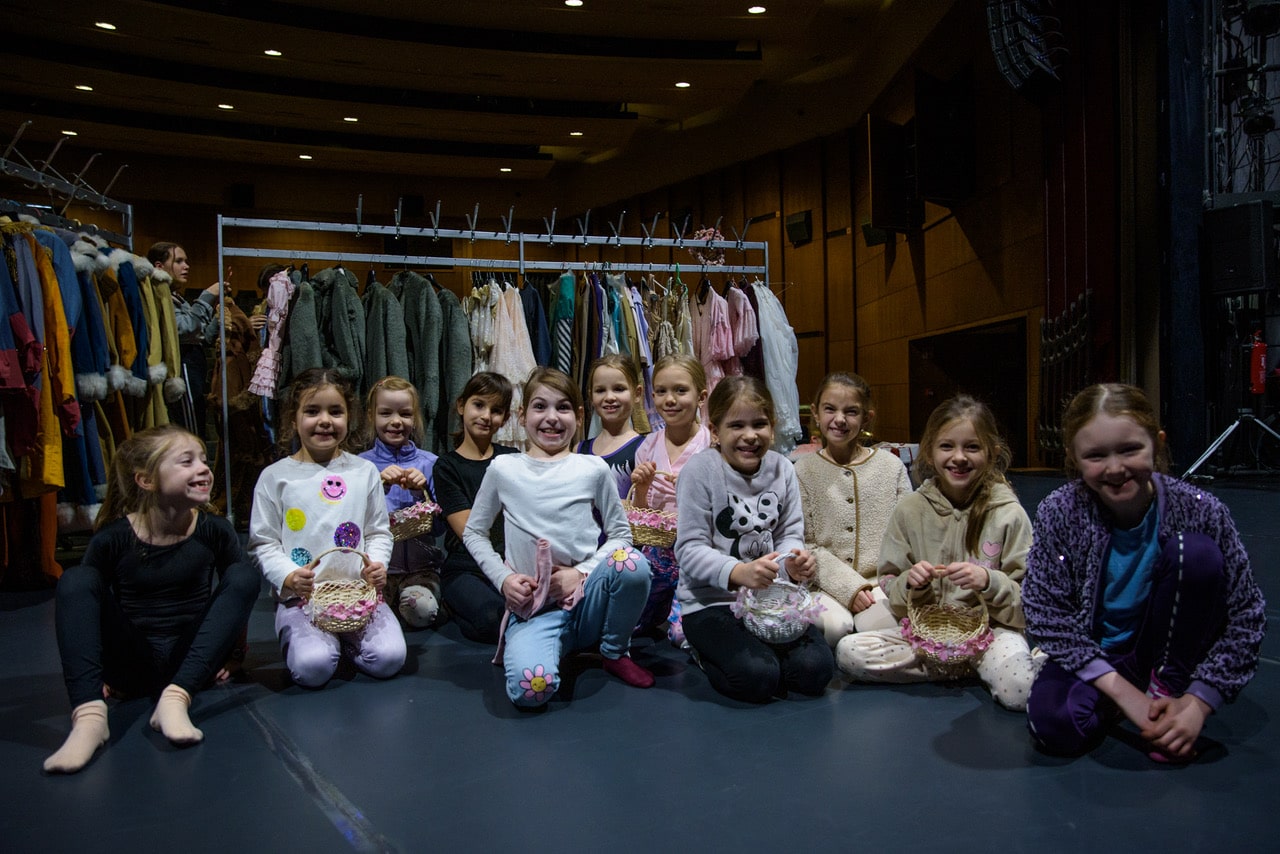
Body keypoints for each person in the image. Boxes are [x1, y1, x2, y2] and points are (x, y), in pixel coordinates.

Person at [1023, 383, 1267, 761]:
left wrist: (1198, 702)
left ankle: (1166, 689)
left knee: (1196, 554)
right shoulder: (1060, 511)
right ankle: (1140, 703)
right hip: (1094, 652)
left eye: (1130, 449)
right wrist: (1126, 696)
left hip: (1165, 651)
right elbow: (1044, 612)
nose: (1115, 468)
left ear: (1157, 443)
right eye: (1096, 455)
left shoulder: (1201, 510)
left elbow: (1246, 616)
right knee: (1055, 727)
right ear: (1073, 457)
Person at [43, 425, 259, 773]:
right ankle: (89, 718)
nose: (203, 468)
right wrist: (96, 672)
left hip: (192, 663)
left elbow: (238, 595)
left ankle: (175, 699)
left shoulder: (215, 530)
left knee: (245, 573)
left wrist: (234, 654)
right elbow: (84, 604)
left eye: (204, 460)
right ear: (146, 480)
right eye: (187, 461)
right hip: (130, 667)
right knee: (76, 579)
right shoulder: (113, 538)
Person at [463, 367, 654, 707]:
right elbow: (474, 532)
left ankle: (613, 650)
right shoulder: (504, 469)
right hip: (535, 610)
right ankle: (557, 644)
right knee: (531, 690)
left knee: (632, 565)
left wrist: (579, 573)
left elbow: (621, 535)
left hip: (587, 599)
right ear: (522, 415)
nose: (551, 418)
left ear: (578, 416)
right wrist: (504, 579)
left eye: (563, 407)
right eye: (540, 407)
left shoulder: (592, 468)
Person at [836, 394, 1040, 711]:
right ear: (930, 452)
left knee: (1020, 690)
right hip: (926, 633)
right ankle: (963, 666)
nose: (959, 457)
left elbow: (1030, 605)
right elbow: (890, 583)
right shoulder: (910, 510)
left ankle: (967, 663)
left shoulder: (1008, 514)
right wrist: (910, 583)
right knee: (850, 653)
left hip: (990, 634)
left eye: (972, 447)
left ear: (992, 452)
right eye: (947, 446)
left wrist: (989, 581)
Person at [674, 375, 834, 703]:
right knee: (757, 678)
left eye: (759, 424)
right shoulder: (699, 472)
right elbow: (689, 549)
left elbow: (789, 533)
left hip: (770, 601)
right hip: (711, 603)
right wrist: (738, 572)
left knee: (816, 671)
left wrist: (793, 562)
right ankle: (702, 651)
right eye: (736, 426)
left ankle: (763, 655)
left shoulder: (782, 469)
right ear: (715, 431)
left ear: (772, 428)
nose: (750, 435)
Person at [248, 367, 405, 688]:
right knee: (313, 668)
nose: (324, 420)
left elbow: (378, 531)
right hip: (302, 599)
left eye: (335, 411)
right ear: (293, 418)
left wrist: (377, 564)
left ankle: (346, 641)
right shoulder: (275, 477)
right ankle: (313, 639)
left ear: (349, 417)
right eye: (312, 411)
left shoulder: (364, 472)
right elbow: (263, 542)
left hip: (358, 595)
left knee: (389, 659)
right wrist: (288, 576)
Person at [793, 372, 912, 646]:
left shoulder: (890, 467)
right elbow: (805, 542)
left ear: (867, 417)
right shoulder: (803, 470)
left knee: (881, 626)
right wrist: (849, 587)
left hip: (882, 582)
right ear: (816, 413)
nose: (840, 419)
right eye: (830, 409)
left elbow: (907, 533)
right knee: (835, 627)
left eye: (851, 411)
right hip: (824, 584)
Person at [629, 355, 713, 639]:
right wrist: (641, 488)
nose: (670, 399)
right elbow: (641, 516)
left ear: (701, 397)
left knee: (682, 633)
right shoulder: (647, 446)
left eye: (680, 390)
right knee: (630, 623)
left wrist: (693, 490)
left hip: (697, 554)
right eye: (662, 391)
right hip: (657, 553)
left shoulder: (712, 447)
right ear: (652, 397)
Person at [432, 372, 518, 643]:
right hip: (466, 567)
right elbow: (470, 531)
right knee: (495, 619)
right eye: (479, 405)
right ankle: (454, 604)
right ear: (461, 406)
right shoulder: (447, 466)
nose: (486, 416)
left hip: (512, 564)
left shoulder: (512, 459)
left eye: (496, 410)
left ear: (505, 418)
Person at [359, 376, 445, 629]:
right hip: (376, 571)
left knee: (422, 611)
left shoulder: (430, 463)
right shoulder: (361, 466)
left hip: (421, 569)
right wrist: (378, 486)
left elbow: (439, 528)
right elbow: (351, 526)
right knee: (362, 616)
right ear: (371, 416)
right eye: (386, 413)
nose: (396, 421)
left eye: (405, 414)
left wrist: (422, 493)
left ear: (415, 418)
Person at [147, 242, 222, 439]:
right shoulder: (160, 295)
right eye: (179, 261)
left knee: (196, 424)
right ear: (159, 266)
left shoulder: (175, 297)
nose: (186, 266)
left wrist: (220, 317)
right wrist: (207, 296)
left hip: (193, 367)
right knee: (190, 432)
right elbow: (185, 328)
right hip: (182, 367)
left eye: (186, 261)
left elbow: (201, 336)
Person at [576, 354, 646, 497]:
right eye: (600, 390)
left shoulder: (646, 448)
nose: (609, 397)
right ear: (591, 396)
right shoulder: (579, 450)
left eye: (619, 389)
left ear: (637, 393)